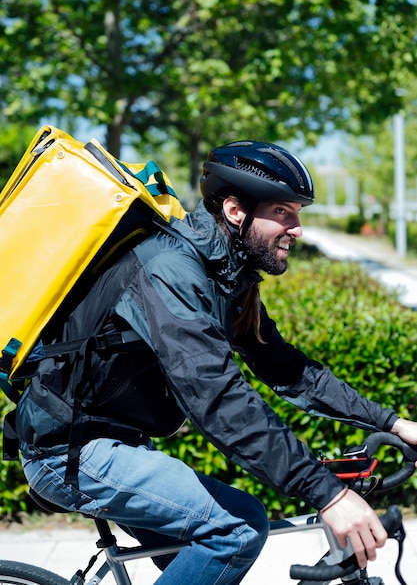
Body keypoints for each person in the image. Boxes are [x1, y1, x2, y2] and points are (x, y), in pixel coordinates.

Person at [15, 140, 417, 585]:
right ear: (234, 211)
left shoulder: (228, 275)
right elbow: (218, 398)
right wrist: (327, 495)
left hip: (116, 440)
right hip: (70, 450)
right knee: (238, 528)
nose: (298, 229)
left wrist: (394, 423)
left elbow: (288, 369)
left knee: (208, 562)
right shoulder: (170, 269)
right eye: (284, 212)